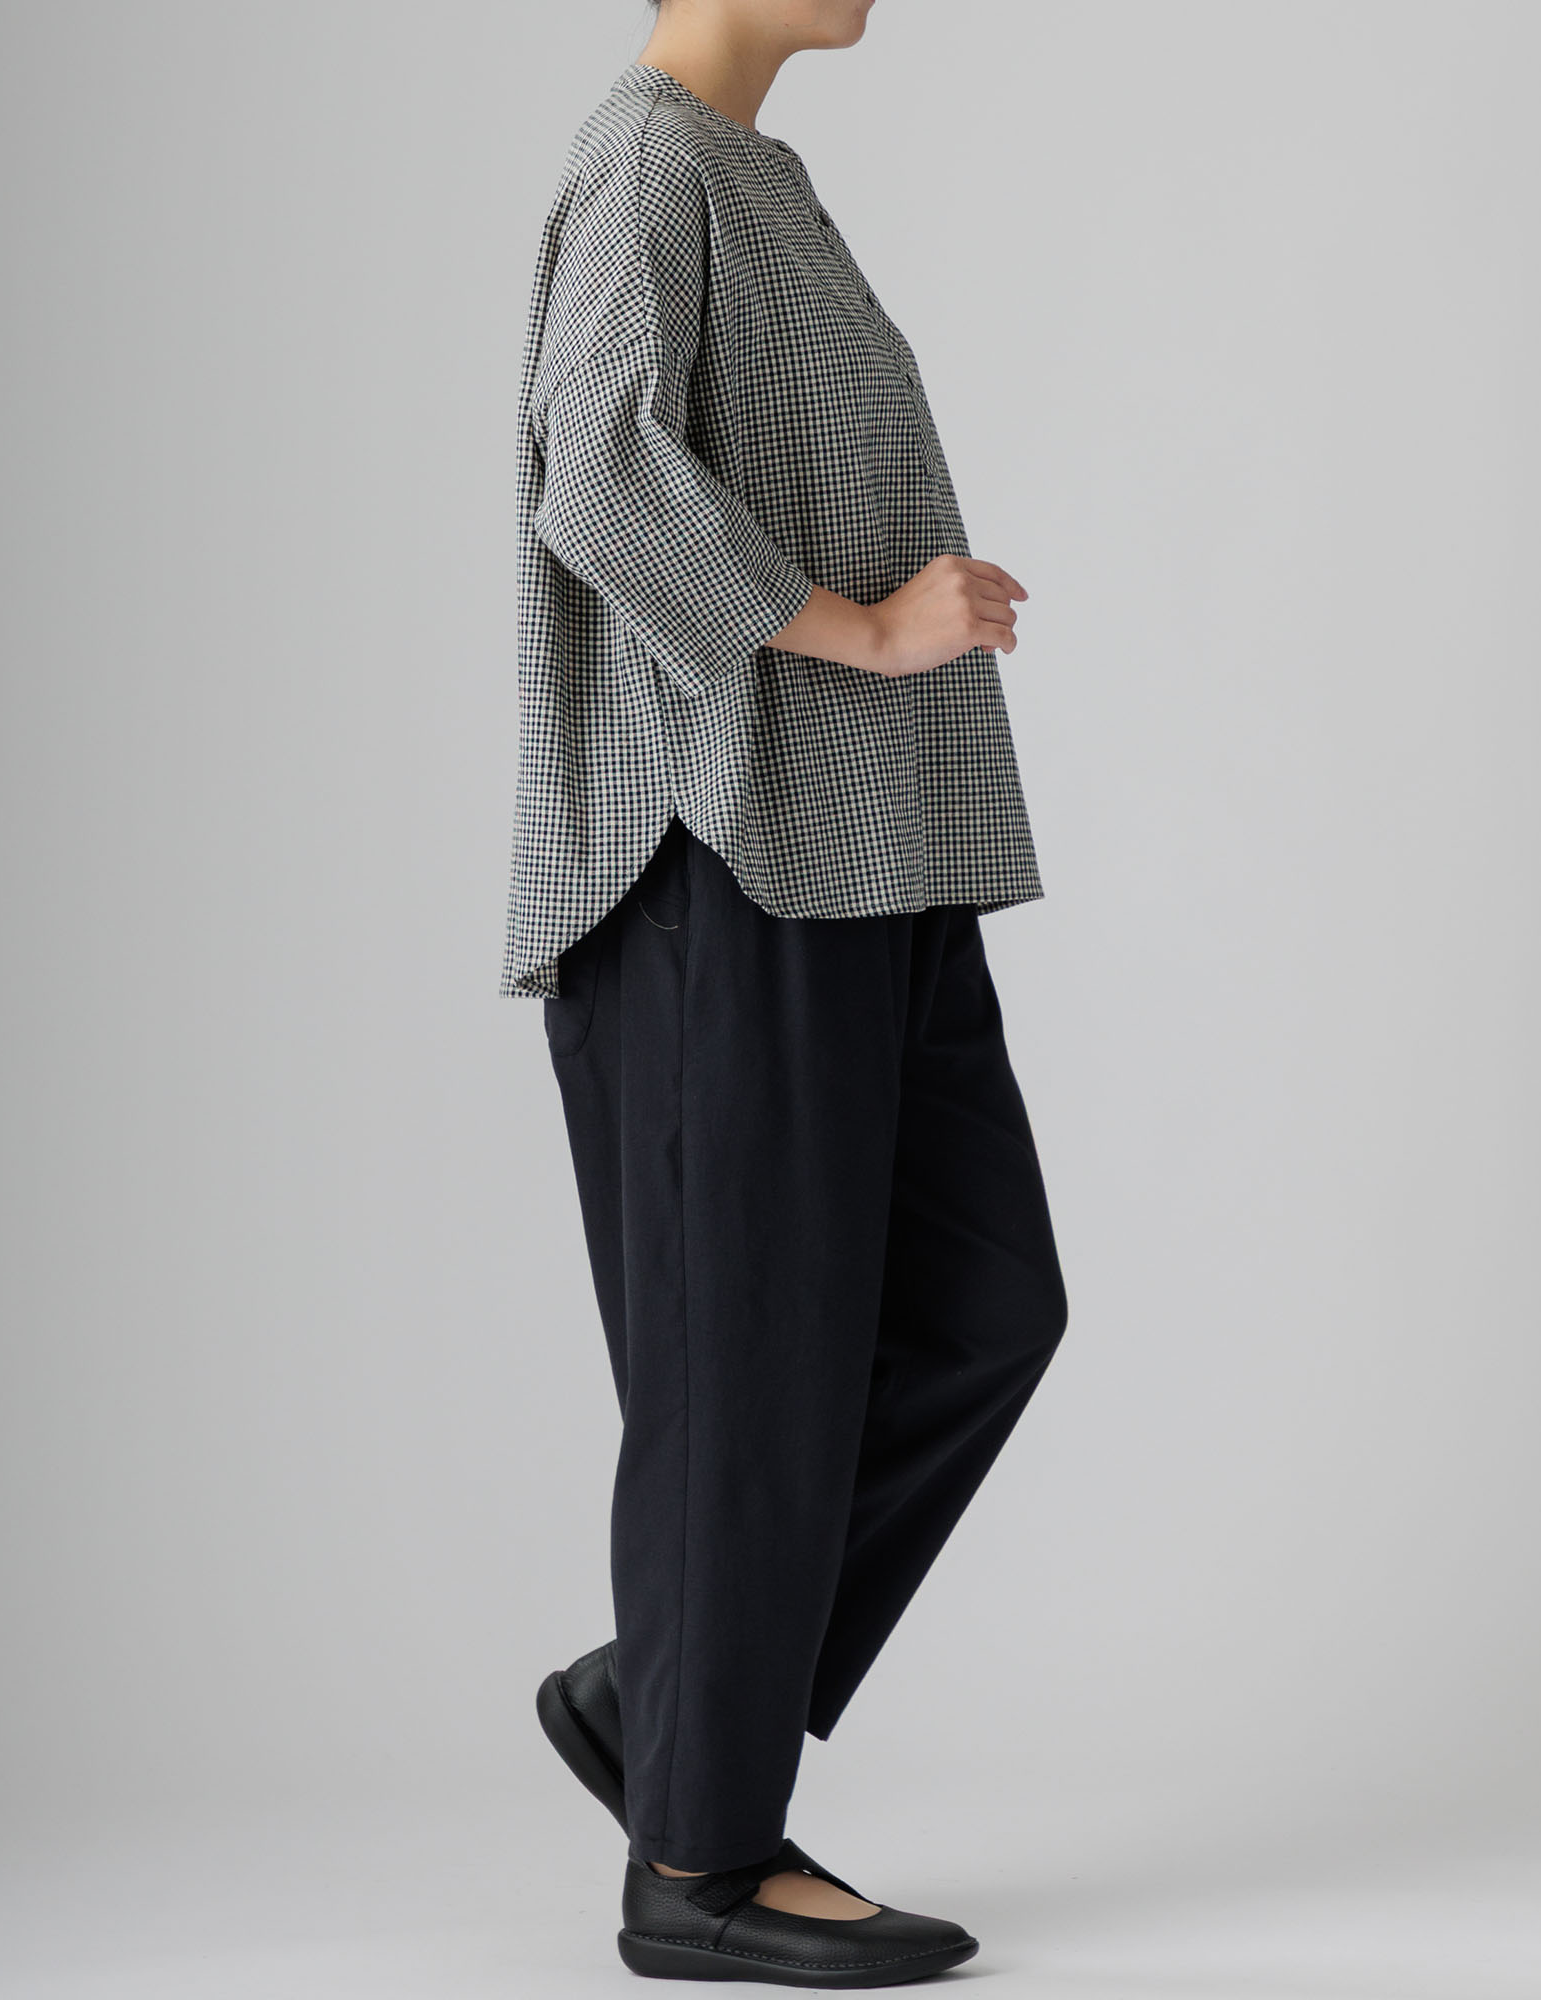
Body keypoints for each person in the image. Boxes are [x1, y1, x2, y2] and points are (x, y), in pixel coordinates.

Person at [503, 0, 1069, 1982]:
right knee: (747, 1371)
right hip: (715, 865)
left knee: (985, 1306)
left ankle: (661, 1692)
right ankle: (700, 1862)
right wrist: (869, 628)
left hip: (865, 862)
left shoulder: (759, 177)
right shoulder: (646, 158)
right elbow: (598, 477)